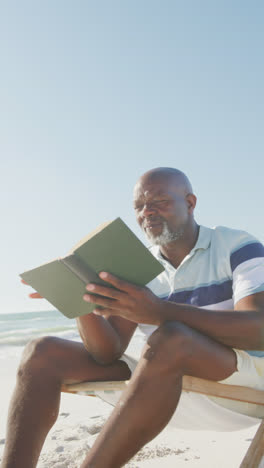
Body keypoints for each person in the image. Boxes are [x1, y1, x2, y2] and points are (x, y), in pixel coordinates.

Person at [2, 167, 264, 468]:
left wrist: (160, 311)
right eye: (139, 207)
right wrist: (81, 301)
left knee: (171, 337)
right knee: (42, 352)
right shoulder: (139, 266)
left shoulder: (237, 246)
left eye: (159, 201)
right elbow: (108, 352)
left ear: (190, 203)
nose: (147, 212)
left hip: (244, 382)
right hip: (161, 384)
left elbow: (258, 329)